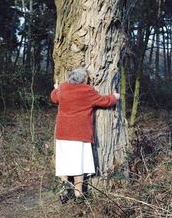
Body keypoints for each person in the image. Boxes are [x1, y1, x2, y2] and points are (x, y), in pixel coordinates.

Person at [50, 67, 120, 203]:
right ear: (84, 79)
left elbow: (54, 98)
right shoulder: (87, 90)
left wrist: (56, 88)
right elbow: (104, 101)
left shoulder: (63, 88)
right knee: (78, 164)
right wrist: (115, 97)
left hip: (63, 133)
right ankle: (78, 194)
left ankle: (63, 192)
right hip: (79, 134)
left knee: (64, 163)